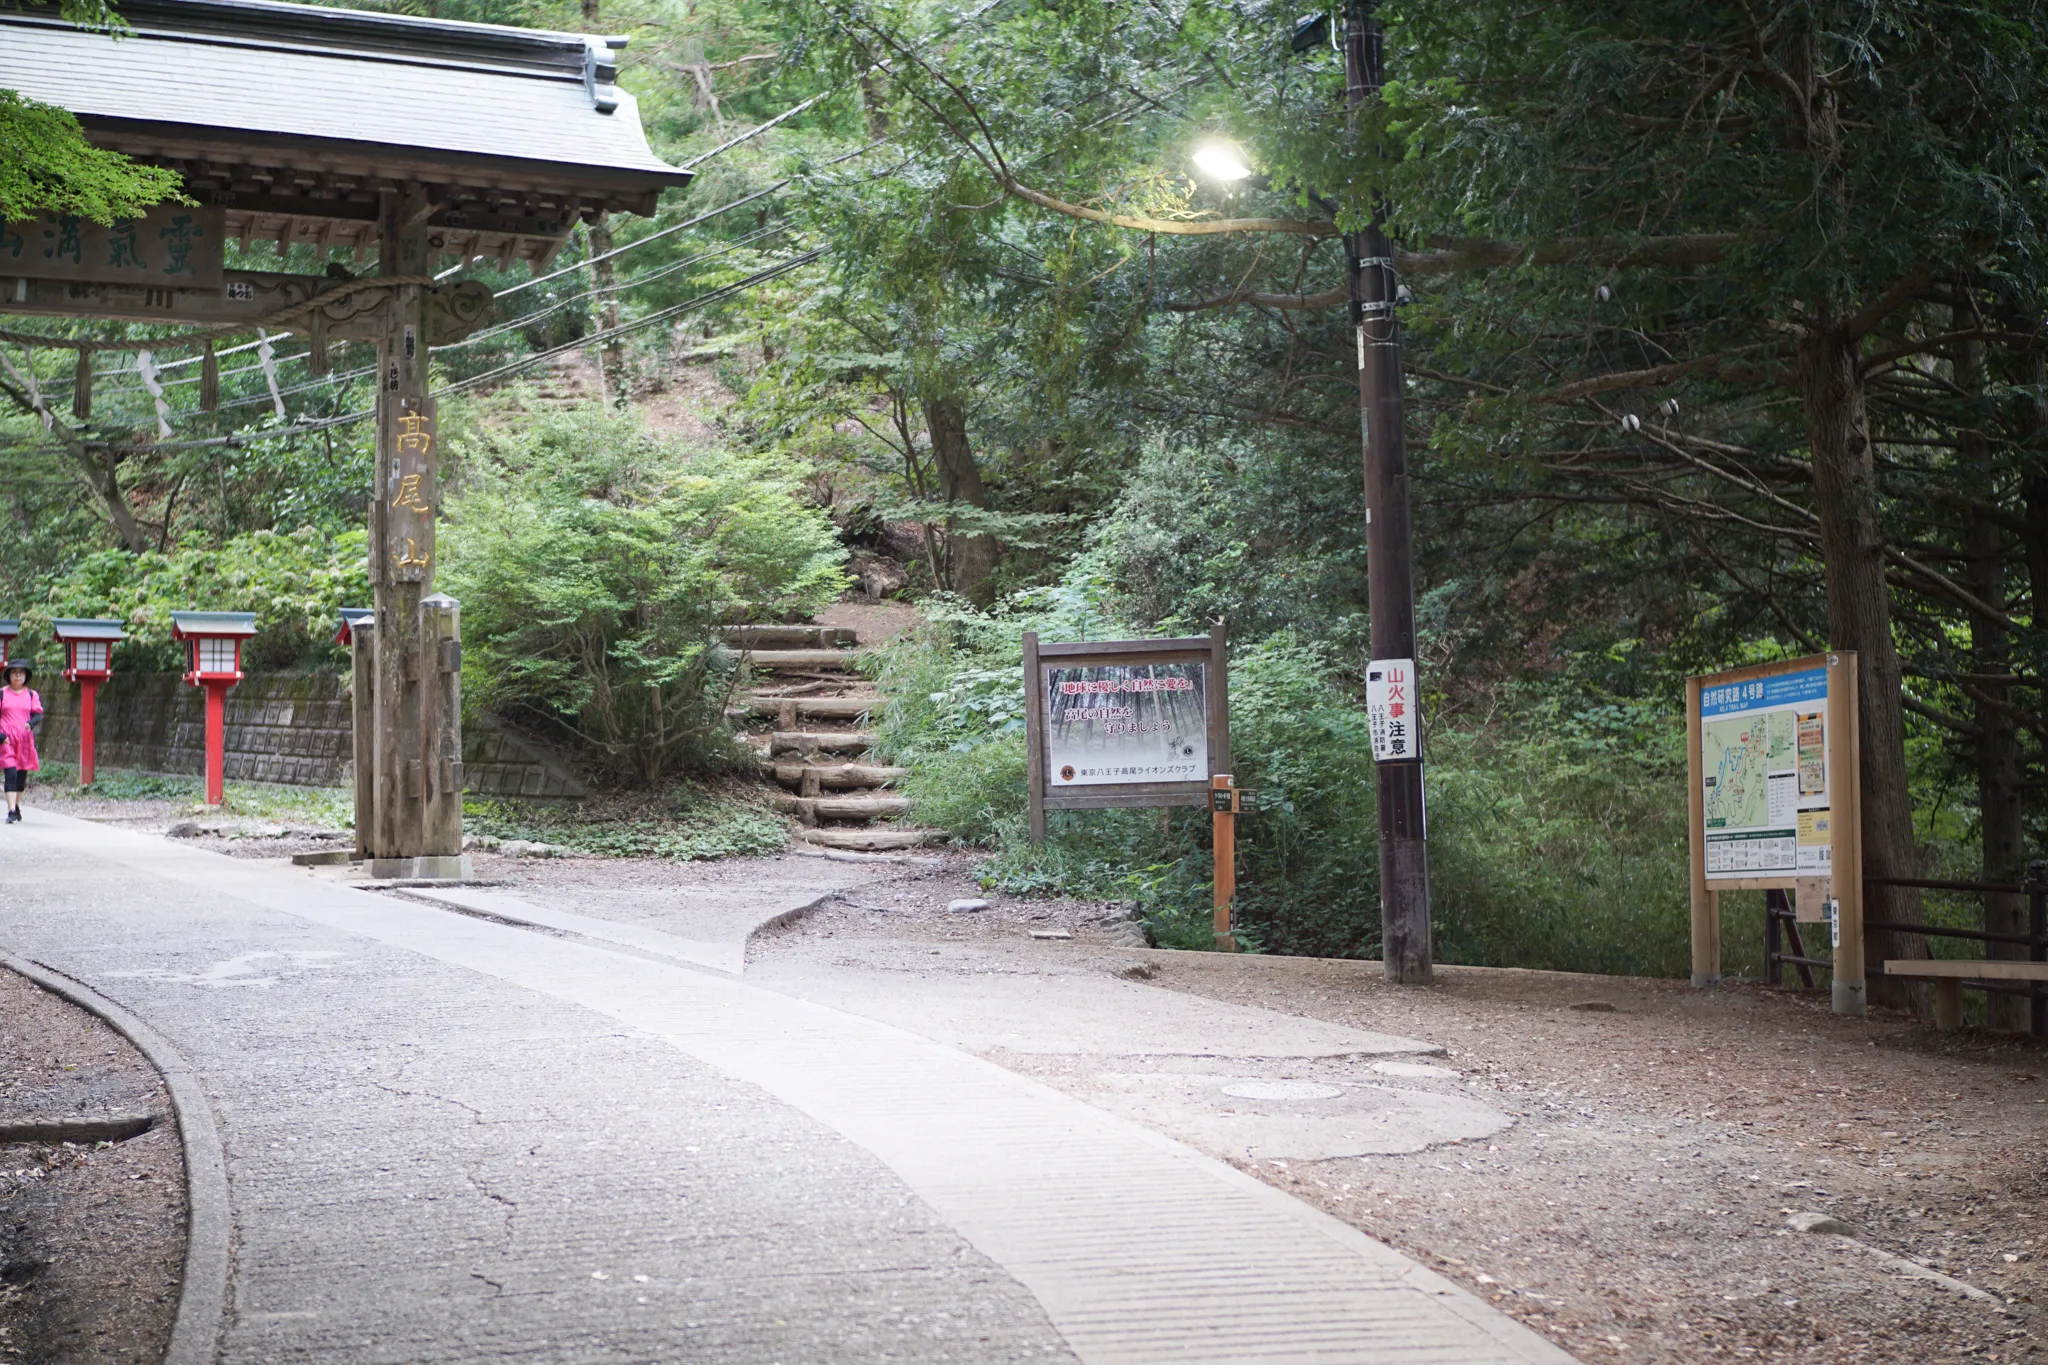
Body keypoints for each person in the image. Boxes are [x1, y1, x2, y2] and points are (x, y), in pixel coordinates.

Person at [0, 659, 42, 822]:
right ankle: (11, 810)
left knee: (21, 776)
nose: (18, 676)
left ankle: (16, 806)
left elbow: (37, 714)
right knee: (10, 773)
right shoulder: (2, 693)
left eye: (21, 673)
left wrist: (30, 724)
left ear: (26, 676)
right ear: (9, 676)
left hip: (24, 741)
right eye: (14, 673)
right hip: (7, 741)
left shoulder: (32, 694)